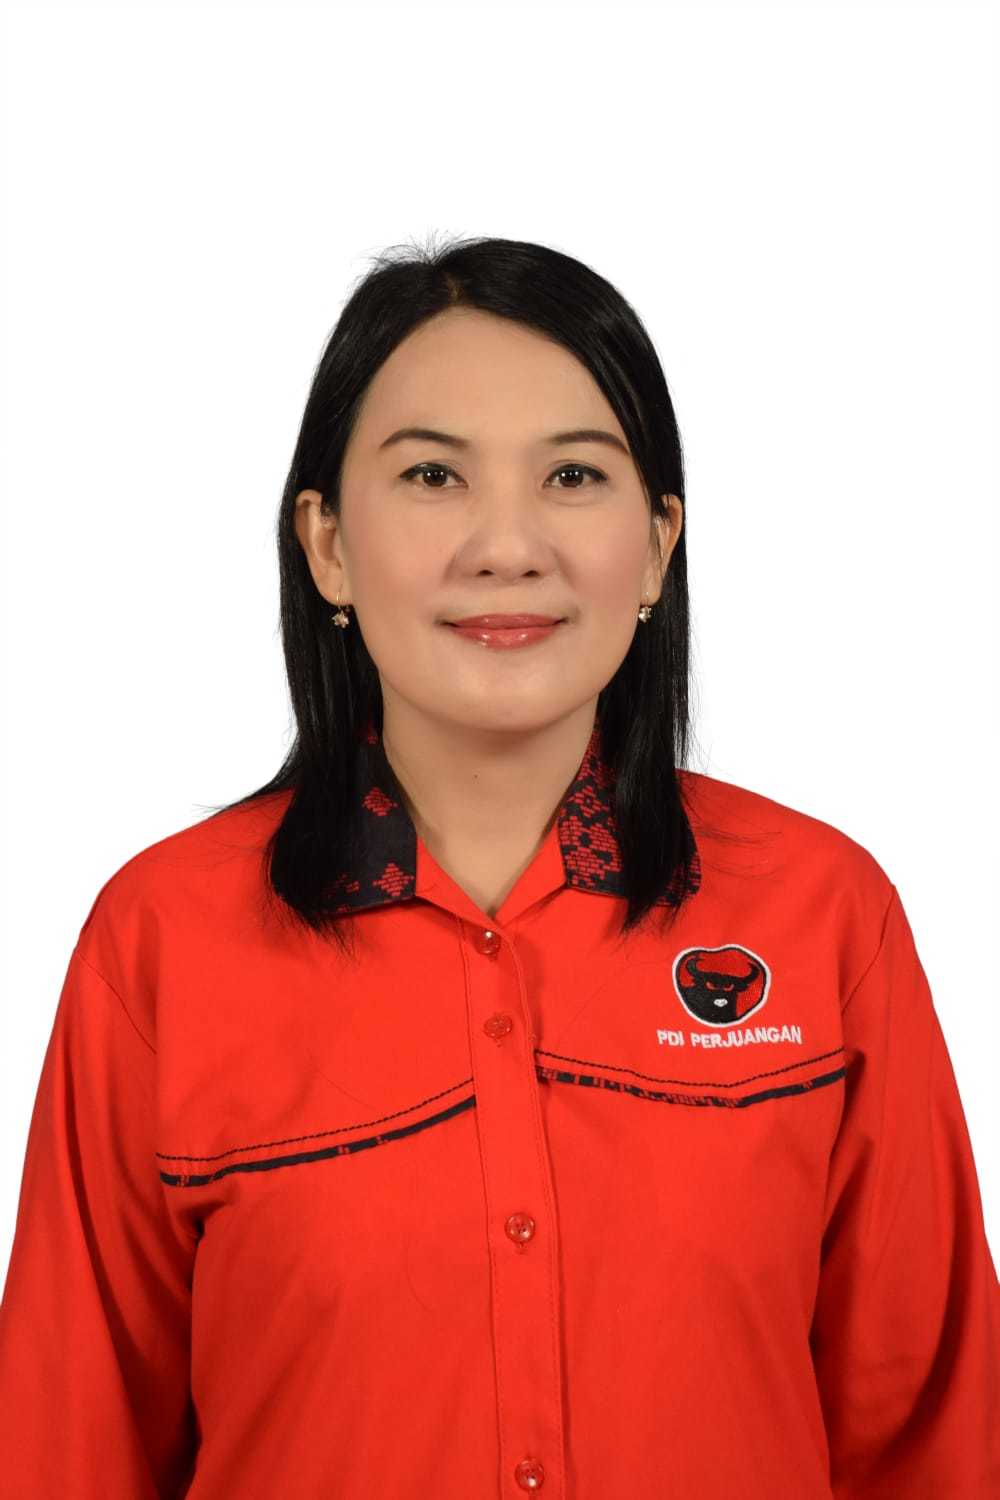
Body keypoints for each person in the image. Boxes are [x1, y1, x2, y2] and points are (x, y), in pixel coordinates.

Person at [0, 233, 997, 1499]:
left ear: (656, 544)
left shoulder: (823, 914)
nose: (507, 545)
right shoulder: (162, 940)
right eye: (432, 475)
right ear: (326, 544)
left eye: (573, 475)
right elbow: (67, 1448)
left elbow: (932, 1441)